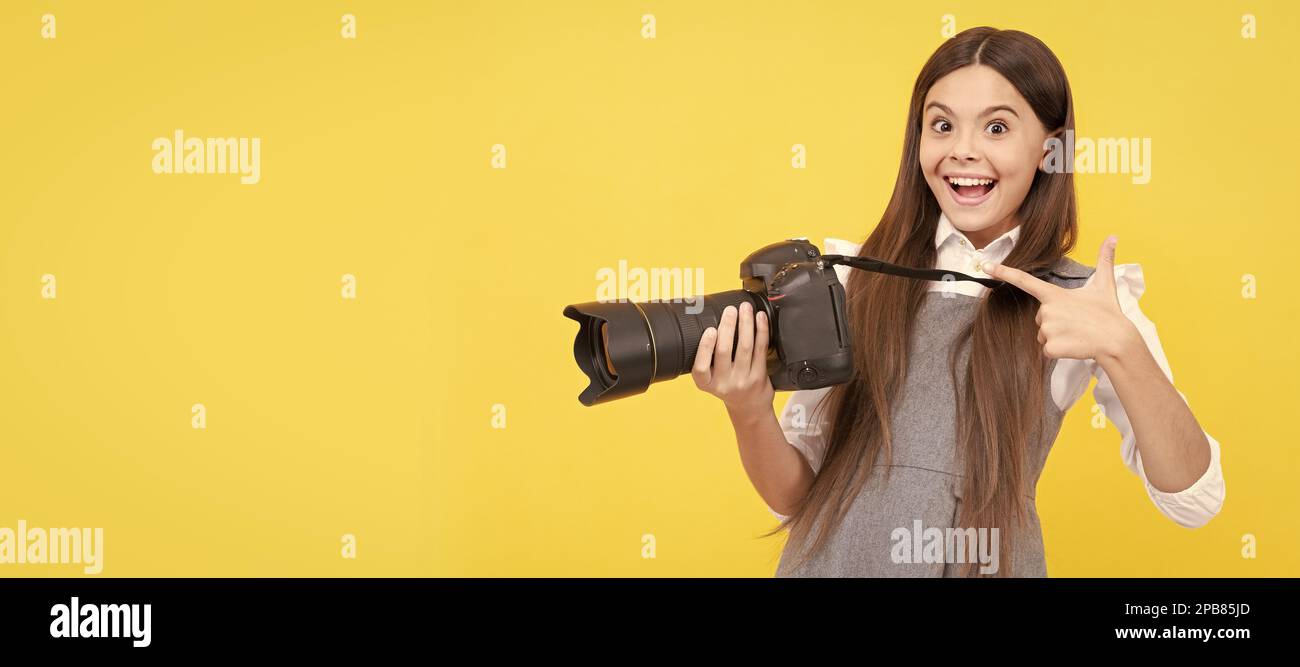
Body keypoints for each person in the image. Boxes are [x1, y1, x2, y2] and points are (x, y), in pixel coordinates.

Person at [689, 27, 1224, 577]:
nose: (962, 150)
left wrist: (1122, 349)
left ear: (1050, 148)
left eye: (996, 127)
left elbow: (1195, 498)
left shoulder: (1088, 303)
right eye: (942, 125)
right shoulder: (850, 282)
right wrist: (749, 409)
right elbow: (797, 498)